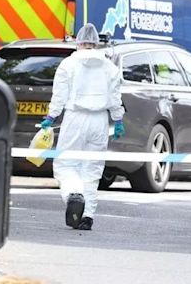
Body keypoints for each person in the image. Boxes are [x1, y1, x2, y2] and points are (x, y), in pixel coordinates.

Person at [40, 23, 125, 231]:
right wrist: (118, 120)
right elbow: (115, 98)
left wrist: (51, 117)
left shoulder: (68, 64)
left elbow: (59, 96)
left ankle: (73, 194)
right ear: (96, 43)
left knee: (66, 164)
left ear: (78, 42)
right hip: (99, 121)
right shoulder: (110, 67)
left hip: (75, 118)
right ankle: (87, 216)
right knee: (92, 169)